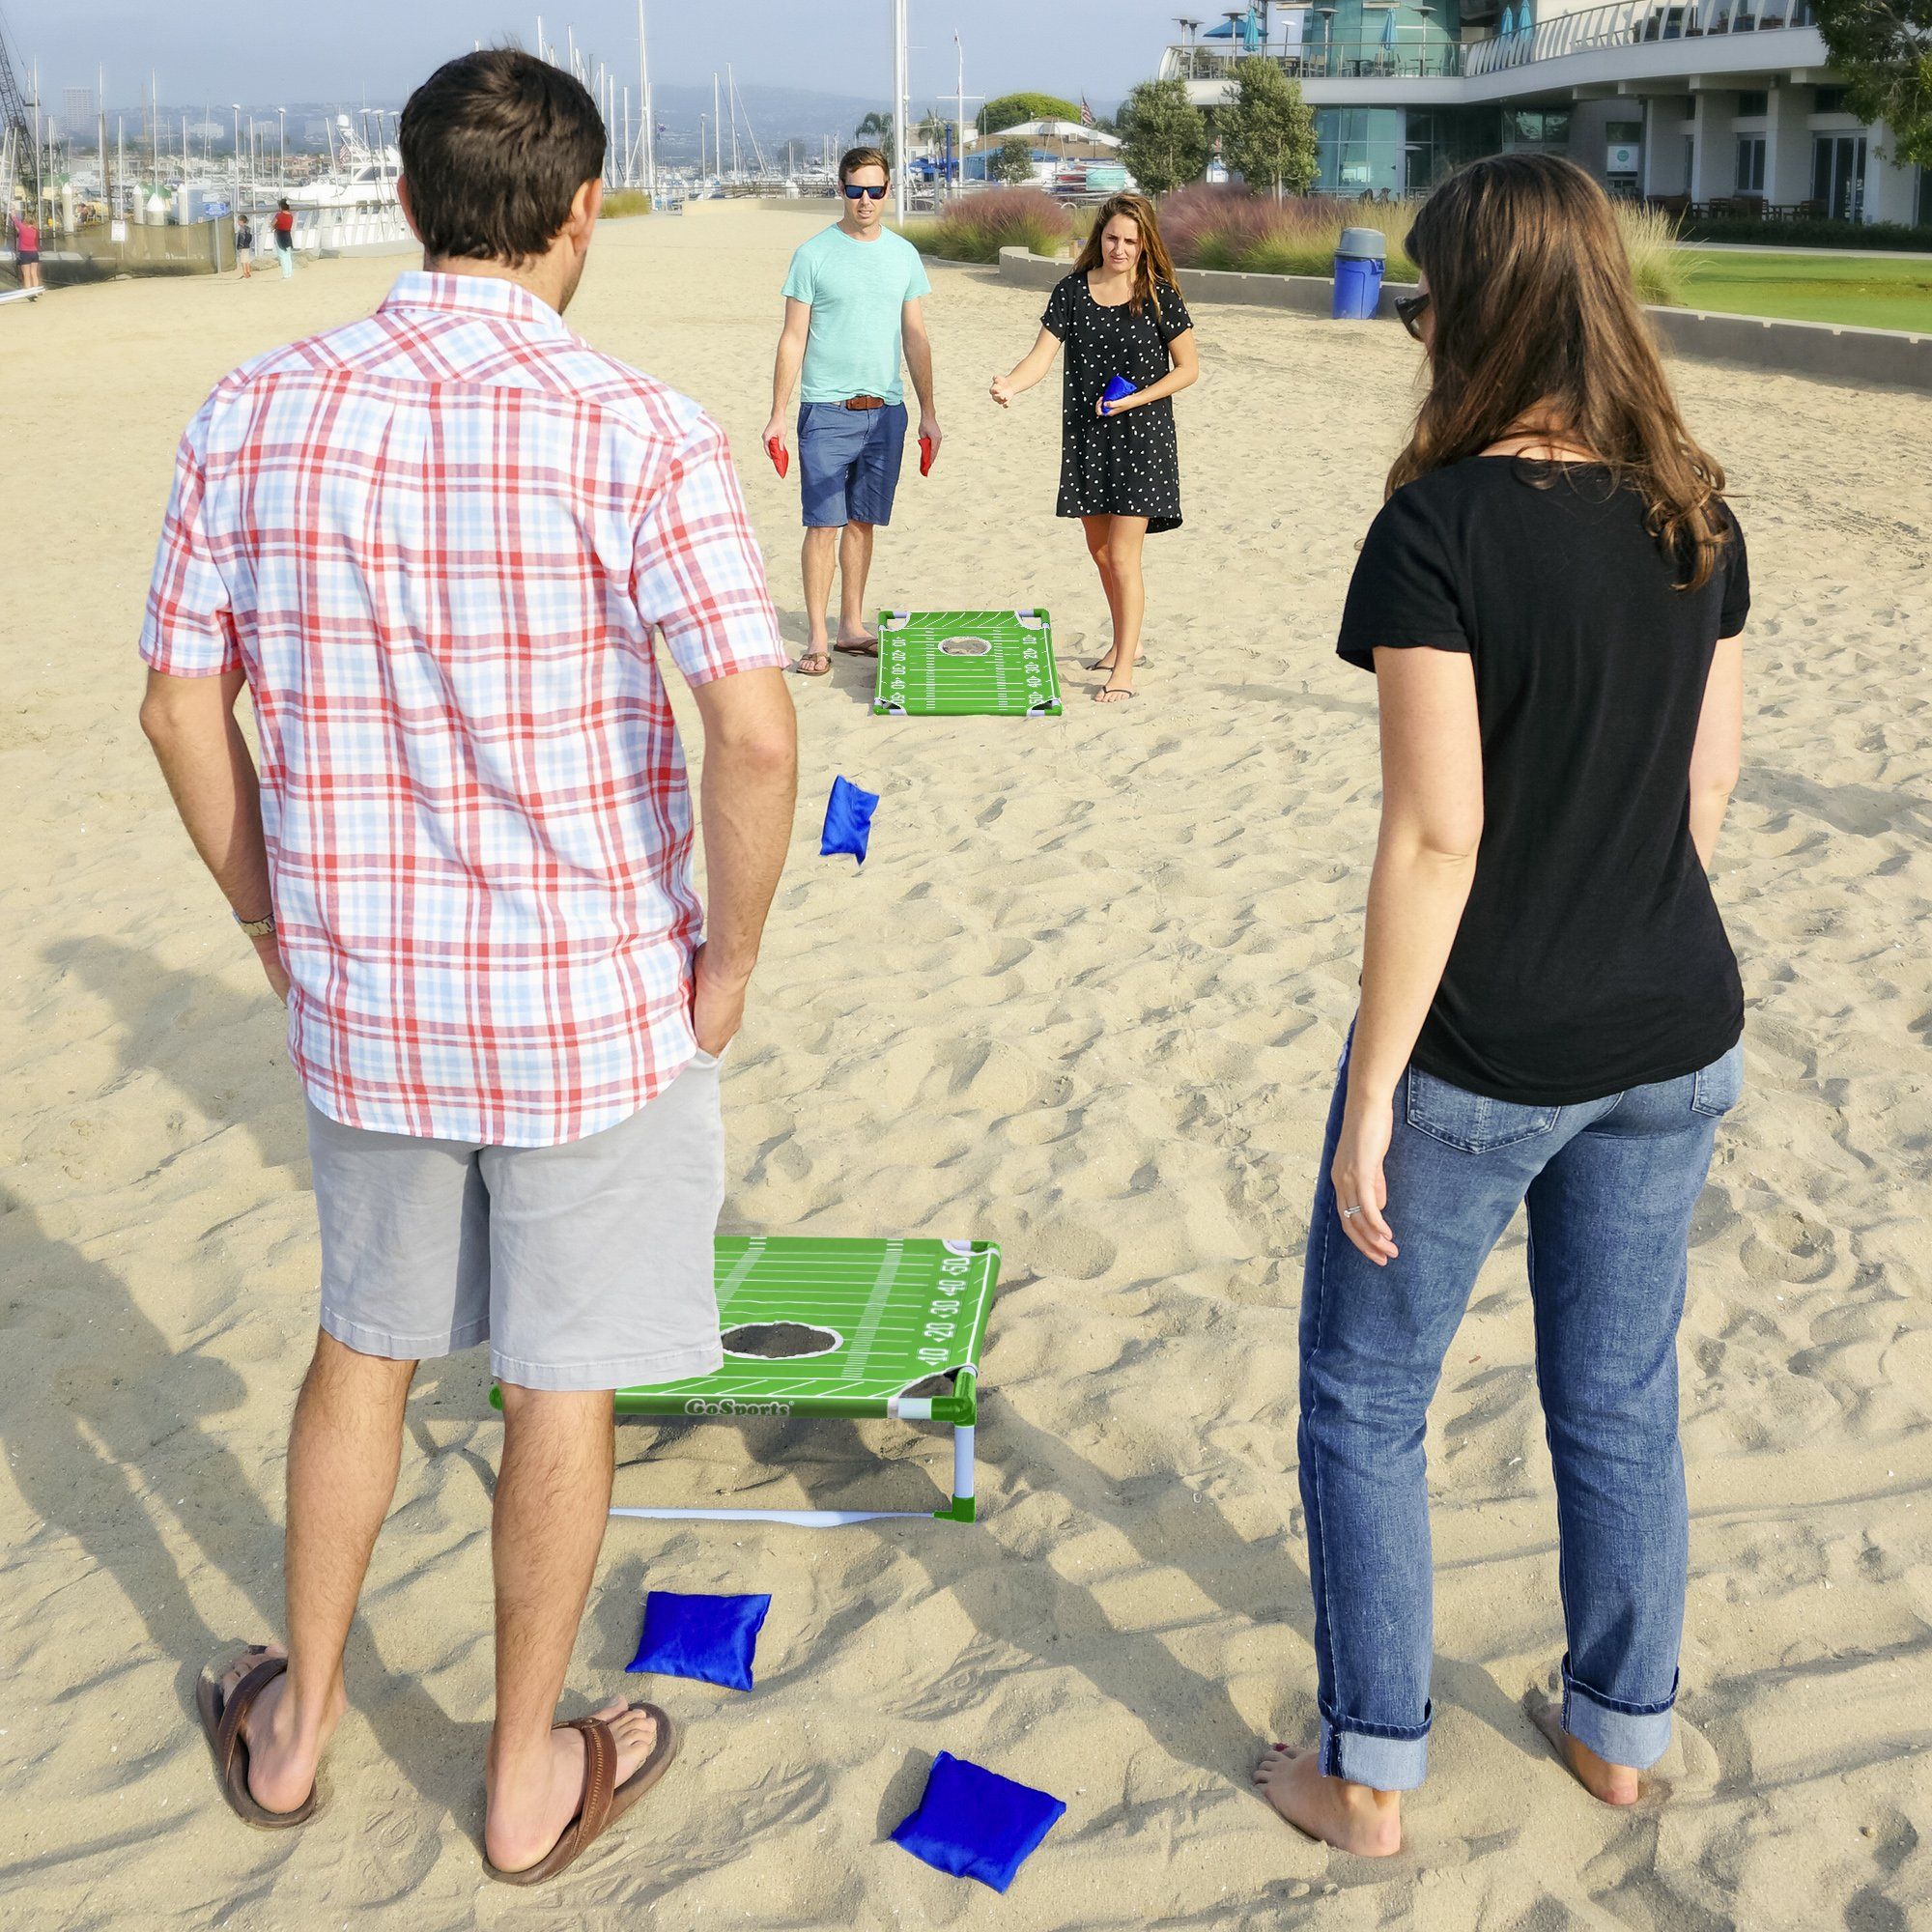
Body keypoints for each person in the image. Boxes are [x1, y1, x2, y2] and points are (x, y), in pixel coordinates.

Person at [137, 49, 796, 1886]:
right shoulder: (638, 425)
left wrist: (270, 912)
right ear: (582, 212)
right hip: (593, 994)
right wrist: (729, 954)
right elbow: (751, 736)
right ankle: (522, 1779)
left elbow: (180, 705)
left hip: (369, 990)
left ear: (416, 202)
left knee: (368, 1349)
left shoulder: (255, 405)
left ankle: (294, 1727)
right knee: (555, 1381)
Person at [1259, 153, 1749, 1857]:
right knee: (1618, 1395)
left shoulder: (1442, 526)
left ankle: (1369, 1771)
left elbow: (1437, 830)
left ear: (1471, 309)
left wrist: (1377, 1086)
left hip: (1489, 1043)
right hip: (1673, 1023)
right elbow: (1704, 793)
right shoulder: (1695, 501)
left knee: (1364, 1398)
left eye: (1425, 289)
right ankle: (1620, 1735)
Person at [989, 192, 1197, 703]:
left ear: (1145, 244)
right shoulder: (1072, 292)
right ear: (1097, 239)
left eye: (1130, 240)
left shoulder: (1159, 295)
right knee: (1101, 552)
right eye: (1111, 238)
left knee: (1124, 557)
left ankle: (1123, 666)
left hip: (1143, 439)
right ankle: (1127, 640)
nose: (1119, 249)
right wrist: (1012, 385)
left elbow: (1189, 369)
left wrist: (1138, 400)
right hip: (1088, 437)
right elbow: (1040, 356)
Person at [762, 146, 939, 678]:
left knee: (862, 523)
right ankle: (817, 638)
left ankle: (851, 627)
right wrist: (777, 414)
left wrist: (929, 412)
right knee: (823, 525)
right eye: (855, 189)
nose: (865, 200)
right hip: (825, 411)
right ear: (841, 189)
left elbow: (916, 336)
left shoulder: (904, 255)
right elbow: (792, 339)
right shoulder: (813, 254)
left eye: (876, 190)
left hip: (886, 412)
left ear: (889, 192)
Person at [13, 209, 42, 298]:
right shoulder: (36, 231)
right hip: (34, 253)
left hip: (25, 254)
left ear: (26, 220)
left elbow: (14, 219)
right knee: (34, 273)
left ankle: (29, 292)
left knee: (26, 274)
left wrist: (13, 212)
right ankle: (36, 291)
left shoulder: (22, 228)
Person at [272, 198, 296, 276]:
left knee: (282, 255)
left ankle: (285, 274)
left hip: (279, 235)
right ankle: (289, 273)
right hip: (287, 235)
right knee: (288, 255)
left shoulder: (279, 215)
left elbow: (273, 223)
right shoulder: (290, 216)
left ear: (281, 206)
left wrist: (273, 228)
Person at [235, 210, 254, 279]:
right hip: (247, 246)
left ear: (241, 221)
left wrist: (240, 247)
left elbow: (242, 239)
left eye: (238, 221)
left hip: (243, 247)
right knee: (247, 260)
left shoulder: (242, 229)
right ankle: (248, 272)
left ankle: (245, 273)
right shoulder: (248, 228)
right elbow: (250, 237)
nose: (237, 222)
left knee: (243, 261)